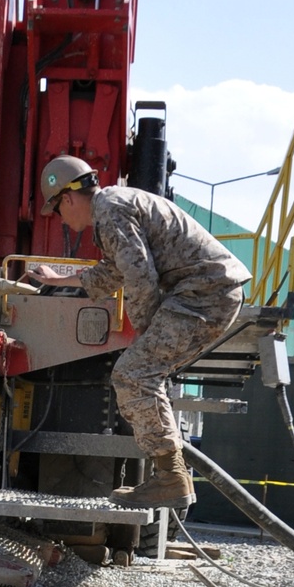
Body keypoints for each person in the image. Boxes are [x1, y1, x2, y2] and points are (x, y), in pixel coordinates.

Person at [36, 157, 251, 508]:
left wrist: (144, 332)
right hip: (208, 292)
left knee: (133, 375)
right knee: (140, 373)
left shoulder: (110, 211)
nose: (61, 220)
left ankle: (170, 479)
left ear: (69, 197)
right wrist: (57, 280)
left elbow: (139, 278)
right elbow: (113, 272)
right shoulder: (116, 205)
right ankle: (171, 476)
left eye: (57, 210)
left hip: (203, 294)